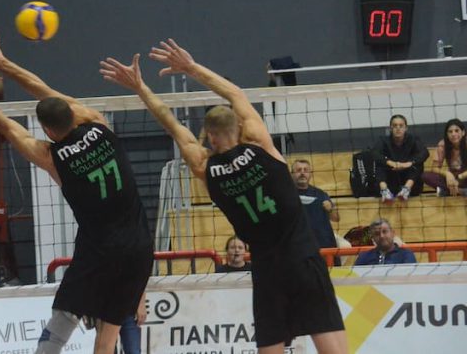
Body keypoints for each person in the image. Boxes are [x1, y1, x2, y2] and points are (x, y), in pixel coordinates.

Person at [99, 39, 347, 354]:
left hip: (268, 270)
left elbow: (172, 125)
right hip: (304, 260)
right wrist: (191, 67)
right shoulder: (260, 144)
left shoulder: (206, 167)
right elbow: (236, 94)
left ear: (211, 138)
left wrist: (141, 88)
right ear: (239, 127)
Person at [0, 29, 153, 354]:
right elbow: (41, 88)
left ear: (46, 129)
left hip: (100, 249)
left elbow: (2, 122)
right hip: (139, 246)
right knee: (107, 338)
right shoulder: (98, 122)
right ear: (72, 113)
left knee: (66, 312)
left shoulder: (51, 157)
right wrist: (1, 62)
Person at [372, 114, 429, 203]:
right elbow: (374, 153)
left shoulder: (413, 139)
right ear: (390, 128)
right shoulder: (383, 140)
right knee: (380, 163)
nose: (398, 128)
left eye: (401, 125)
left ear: (406, 128)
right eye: (395, 126)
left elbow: (425, 153)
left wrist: (408, 164)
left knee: (417, 163)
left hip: (411, 184)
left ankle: (406, 190)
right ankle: (385, 191)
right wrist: (390, 163)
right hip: (391, 182)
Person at [292, 160, 339, 254]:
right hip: (297, 242)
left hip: (322, 242)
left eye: (306, 170)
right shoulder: (287, 193)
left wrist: (330, 209)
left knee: (345, 246)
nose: (302, 173)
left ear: (310, 174)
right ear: (292, 174)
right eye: (299, 170)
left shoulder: (320, 194)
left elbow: (336, 218)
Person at [422, 118, 467, 197]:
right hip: (451, 178)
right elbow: (434, 168)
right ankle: (460, 191)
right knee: (425, 176)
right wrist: (447, 174)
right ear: (447, 134)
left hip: (464, 176)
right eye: (450, 131)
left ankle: (446, 191)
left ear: (463, 132)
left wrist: (460, 177)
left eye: (457, 131)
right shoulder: (443, 145)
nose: (453, 134)